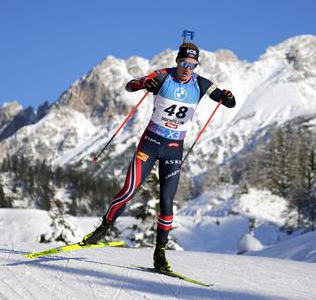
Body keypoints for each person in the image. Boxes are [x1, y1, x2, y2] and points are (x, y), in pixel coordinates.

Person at [81, 41, 236, 271]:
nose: (187, 68)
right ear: (177, 61)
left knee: (166, 202)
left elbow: (226, 100)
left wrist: (227, 97)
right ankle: (102, 230)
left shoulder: (201, 84)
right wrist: (145, 83)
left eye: (192, 65)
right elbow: (130, 86)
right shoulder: (163, 76)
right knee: (129, 189)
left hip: (174, 148)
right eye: (183, 63)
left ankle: (160, 255)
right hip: (151, 144)